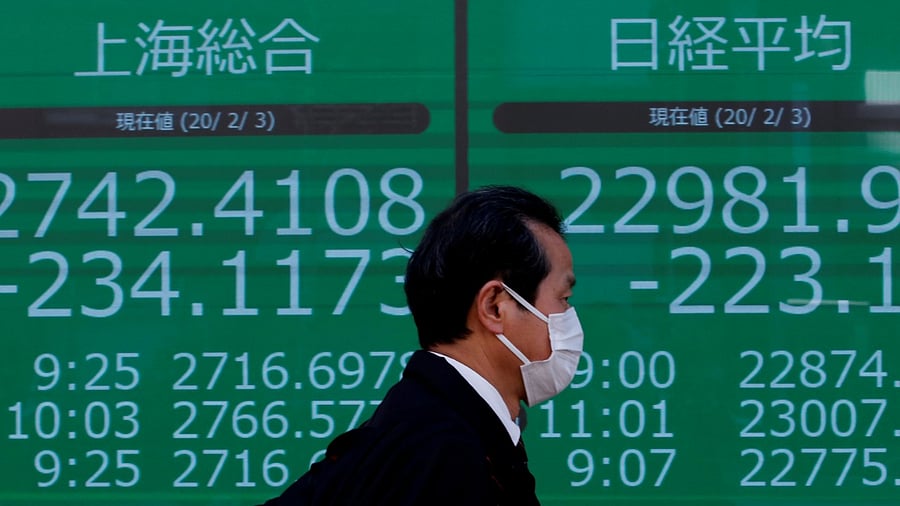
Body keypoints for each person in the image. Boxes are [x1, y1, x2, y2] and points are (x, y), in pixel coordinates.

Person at [259, 185, 583, 505]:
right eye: (563, 299)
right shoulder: (442, 456)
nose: (569, 316)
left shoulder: (429, 431)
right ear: (494, 306)